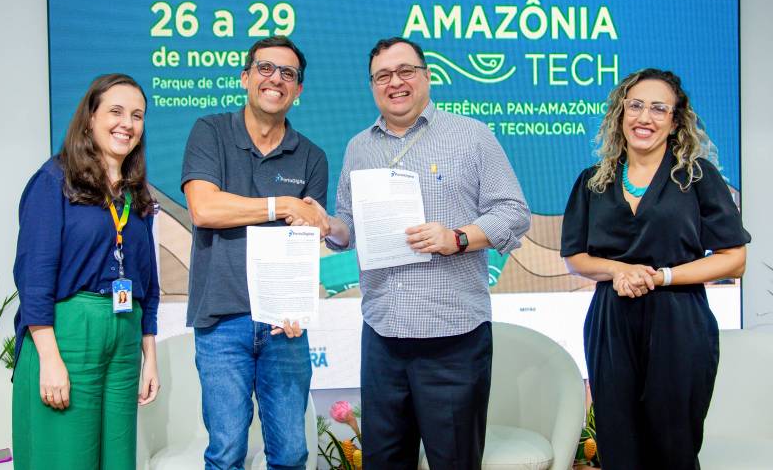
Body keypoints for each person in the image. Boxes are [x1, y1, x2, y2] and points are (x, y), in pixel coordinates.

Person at [302, 37, 530, 469]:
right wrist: (330, 226)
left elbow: (514, 212)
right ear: (372, 86)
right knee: (384, 461)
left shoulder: (472, 136)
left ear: (426, 76)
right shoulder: (359, 147)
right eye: (383, 76)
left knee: (454, 461)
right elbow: (349, 223)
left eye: (405, 71)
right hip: (383, 335)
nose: (395, 82)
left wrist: (457, 238)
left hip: (453, 338)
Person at [560, 68, 750, 469]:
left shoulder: (698, 177)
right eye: (635, 106)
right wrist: (620, 271)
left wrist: (662, 276)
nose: (644, 117)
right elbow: (575, 257)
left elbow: (734, 259)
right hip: (611, 322)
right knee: (618, 445)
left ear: (675, 121)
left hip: (679, 321)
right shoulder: (592, 182)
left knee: (673, 446)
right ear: (620, 114)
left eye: (658, 109)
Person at [181, 35, 329, 470]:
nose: (275, 79)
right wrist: (281, 205)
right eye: (265, 68)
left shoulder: (311, 157)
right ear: (246, 77)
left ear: (298, 89)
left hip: (285, 327)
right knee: (226, 452)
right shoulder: (210, 132)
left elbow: (308, 236)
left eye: (288, 73)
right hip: (221, 321)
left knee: (292, 453)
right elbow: (205, 209)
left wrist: (297, 305)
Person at [12, 73, 161, 469]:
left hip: (125, 336)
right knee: (66, 457)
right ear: (91, 117)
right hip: (68, 335)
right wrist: (49, 359)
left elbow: (148, 283)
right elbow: (34, 277)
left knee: (118, 459)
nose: (127, 124)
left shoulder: (136, 194)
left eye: (137, 116)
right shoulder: (53, 181)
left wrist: (149, 356)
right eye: (116, 112)